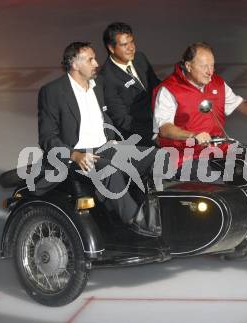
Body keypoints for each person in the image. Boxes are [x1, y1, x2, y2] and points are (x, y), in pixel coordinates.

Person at [37, 41, 158, 236]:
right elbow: (47, 137)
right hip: (78, 156)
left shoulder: (98, 85)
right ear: (74, 64)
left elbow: (103, 117)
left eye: (95, 58)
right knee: (109, 169)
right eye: (90, 59)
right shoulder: (53, 92)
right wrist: (75, 155)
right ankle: (137, 222)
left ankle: (154, 211)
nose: (96, 63)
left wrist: (114, 139)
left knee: (154, 156)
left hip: (105, 147)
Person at [153, 42, 247, 181]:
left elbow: (240, 104)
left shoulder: (217, 83)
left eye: (212, 65)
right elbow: (164, 128)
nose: (210, 71)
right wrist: (193, 135)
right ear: (188, 66)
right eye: (204, 66)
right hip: (183, 157)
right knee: (217, 182)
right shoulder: (169, 89)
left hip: (217, 150)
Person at [99, 22, 160, 147]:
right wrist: (153, 135)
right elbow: (123, 120)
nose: (131, 48)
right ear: (111, 48)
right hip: (137, 138)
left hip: (159, 122)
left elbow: (157, 87)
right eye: (124, 45)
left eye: (132, 42)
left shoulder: (140, 57)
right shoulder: (106, 77)